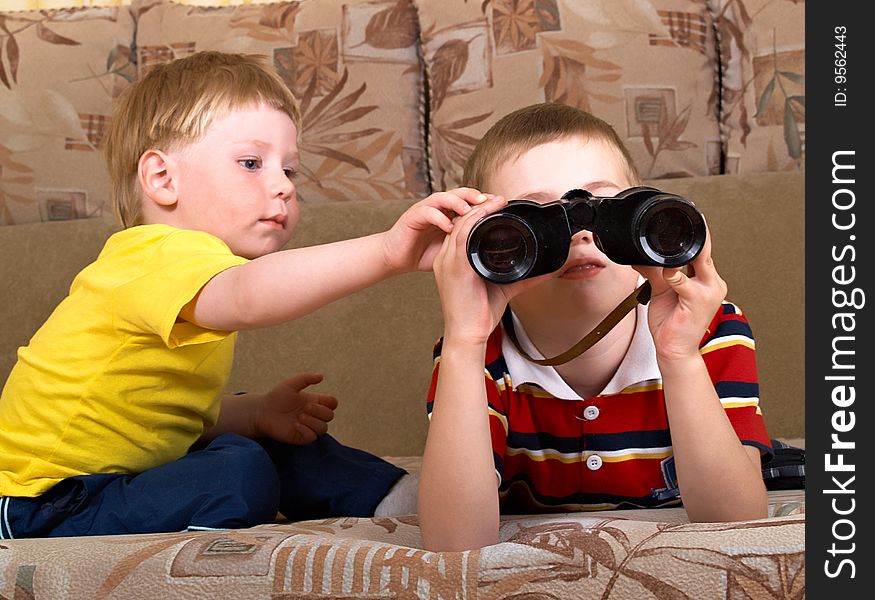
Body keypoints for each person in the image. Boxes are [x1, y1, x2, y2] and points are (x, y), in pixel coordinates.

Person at [0, 51, 498, 539]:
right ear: (162, 178)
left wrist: (255, 412)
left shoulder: (187, 269)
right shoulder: (152, 254)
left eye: (290, 170)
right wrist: (388, 251)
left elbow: (158, 415)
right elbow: (249, 295)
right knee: (239, 467)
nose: (282, 185)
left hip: (110, 480)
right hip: (42, 504)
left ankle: (406, 498)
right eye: (251, 162)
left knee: (276, 442)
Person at [417, 103, 773, 551]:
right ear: (490, 243)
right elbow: (454, 547)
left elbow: (736, 526)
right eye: (537, 218)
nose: (579, 234)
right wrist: (464, 343)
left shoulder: (708, 328)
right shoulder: (475, 353)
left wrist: (679, 355)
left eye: (606, 209)